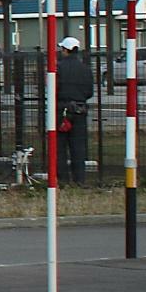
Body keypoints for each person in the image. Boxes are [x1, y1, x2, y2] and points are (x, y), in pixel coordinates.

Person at [55, 35, 93, 186]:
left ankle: (63, 179)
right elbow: (90, 92)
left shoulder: (58, 68)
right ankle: (80, 180)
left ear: (65, 50)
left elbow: (53, 89)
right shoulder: (86, 69)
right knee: (78, 147)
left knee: (60, 147)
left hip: (61, 110)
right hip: (80, 110)